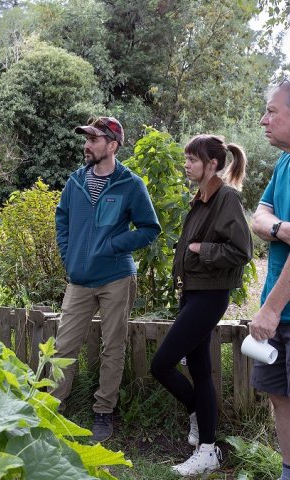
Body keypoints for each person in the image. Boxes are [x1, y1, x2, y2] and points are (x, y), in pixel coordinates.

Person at [52, 116, 161, 442]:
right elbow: (63, 220)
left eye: (94, 139)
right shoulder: (75, 182)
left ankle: (103, 411)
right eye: (86, 138)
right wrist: (68, 255)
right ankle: (49, 407)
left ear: (112, 145)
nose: (86, 144)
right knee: (63, 347)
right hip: (80, 280)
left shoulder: (130, 184)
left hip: (116, 277)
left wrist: (116, 244)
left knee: (112, 347)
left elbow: (149, 229)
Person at [150, 134, 253, 476]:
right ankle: (207, 447)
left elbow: (242, 252)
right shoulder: (203, 197)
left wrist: (200, 251)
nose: (186, 164)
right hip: (192, 291)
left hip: (210, 295)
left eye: (192, 160)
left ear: (212, 164)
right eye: (186, 159)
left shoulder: (226, 198)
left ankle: (200, 421)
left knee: (161, 365)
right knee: (198, 370)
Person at [250, 78, 290, 480]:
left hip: (279, 310)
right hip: (279, 312)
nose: (263, 120)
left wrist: (271, 309)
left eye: (272, 112)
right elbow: (258, 218)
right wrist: (281, 227)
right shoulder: (284, 163)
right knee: (280, 397)